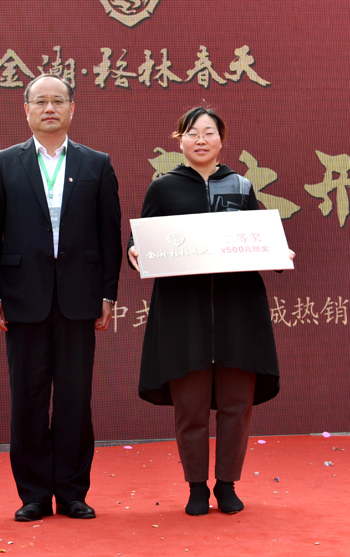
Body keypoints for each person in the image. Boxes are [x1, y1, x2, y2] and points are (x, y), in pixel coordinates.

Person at [128, 107, 294, 516]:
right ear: (179, 140)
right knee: (191, 406)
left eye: (208, 133)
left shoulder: (241, 185)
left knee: (237, 404)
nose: (200, 140)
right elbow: (142, 241)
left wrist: (278, 252)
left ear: (222, 140)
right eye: (192, 133)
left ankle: (227, 484)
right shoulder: (163, 188)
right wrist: (134, 252)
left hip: (238, 311)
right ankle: (197, 487)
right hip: (184, 314)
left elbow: (258, 237)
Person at [0, 74, 122, 522]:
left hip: (79, 296)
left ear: (73, 108)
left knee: (75, 398)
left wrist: (108, 293)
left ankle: (73, 492)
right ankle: (34, 495)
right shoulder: (3, 163)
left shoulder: (97, 163)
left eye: (58, 100)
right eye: (40, 101)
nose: (49, 108)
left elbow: (110, 235)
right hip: (23, 297)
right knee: (29, 398)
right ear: (26, 110)